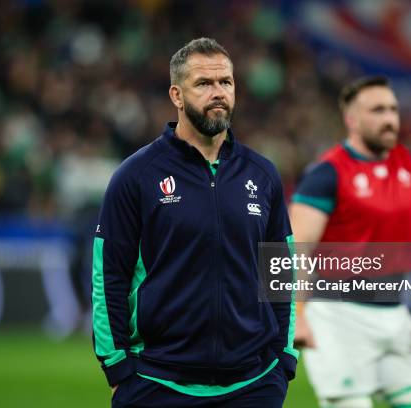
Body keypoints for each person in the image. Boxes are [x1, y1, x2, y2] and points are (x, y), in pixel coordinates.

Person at [92, 37, 298, 408]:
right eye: (204, 84)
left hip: (254, 384)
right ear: (176, 94)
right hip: (157, 382)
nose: (218, 92)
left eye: (226, 82)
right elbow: (108, 276)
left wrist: (283, 358)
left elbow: (281, 272)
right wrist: (116, 366)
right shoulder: (136, 176)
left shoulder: (262, 174)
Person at [290, 76, 411, 408]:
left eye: (393, 109)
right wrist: (296, 315)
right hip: (335, 315)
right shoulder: (327, 173)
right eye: (377, 110)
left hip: (393, 310)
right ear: (352, 120)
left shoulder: (410, 164)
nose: (390, 118)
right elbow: (295, 247)